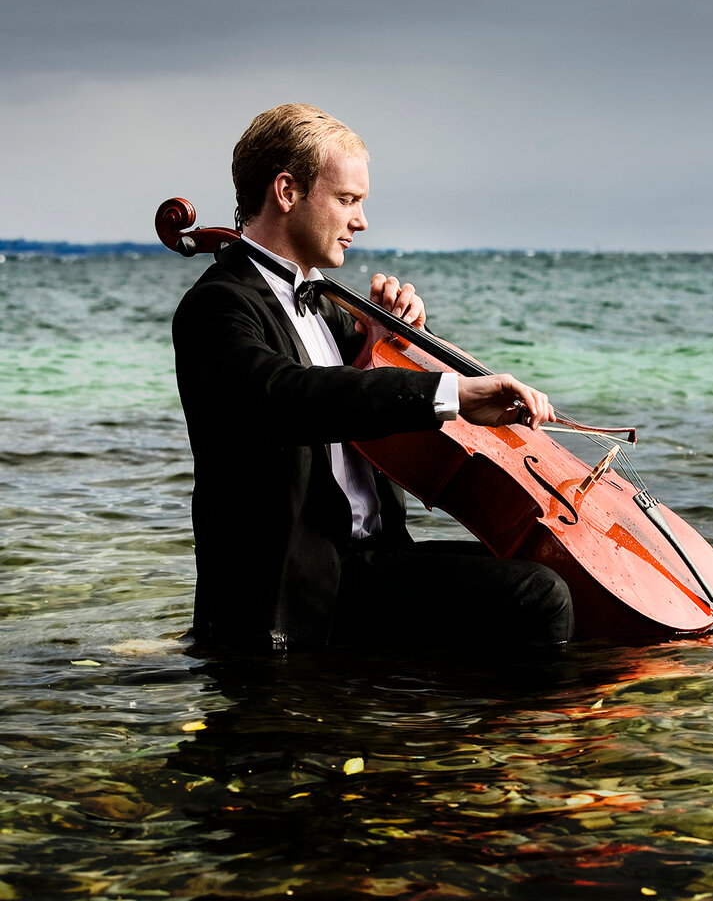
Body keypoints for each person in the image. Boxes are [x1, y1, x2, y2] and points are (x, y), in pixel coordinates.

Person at [172, 103, 574, 650]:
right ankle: (508, 735)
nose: (360, 222)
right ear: (287, 192)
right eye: (347, 200)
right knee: (537, 595)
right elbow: (290, 397)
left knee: (552, 568)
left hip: (374, 555)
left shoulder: (324, 305)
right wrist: (451, 392)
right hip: (305, 589)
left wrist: (396, 339)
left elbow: (366, 391)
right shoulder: (219, 306)